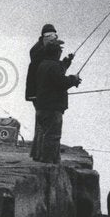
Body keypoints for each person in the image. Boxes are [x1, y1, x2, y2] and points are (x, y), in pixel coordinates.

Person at [24, 23, 81, 164]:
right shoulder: (38, 51)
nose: (53, 38)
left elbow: (54, 70)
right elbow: (56, 76)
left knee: (43, 125)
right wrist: (72, 79)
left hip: (43, 94)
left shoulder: (47, 56)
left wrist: (66, 62)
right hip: (40, 95)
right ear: (44, 36)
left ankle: (41, 154)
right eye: (50, 36)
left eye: (55, 36)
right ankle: (46, 157)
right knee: (48, 128)